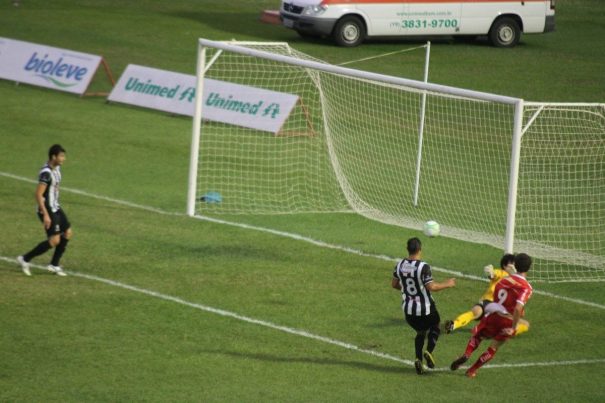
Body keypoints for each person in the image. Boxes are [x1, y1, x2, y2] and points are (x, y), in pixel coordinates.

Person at [450, 253, 533, 378]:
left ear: (515, 264)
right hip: (508, 321)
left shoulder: (503, 280)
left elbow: (496, 296)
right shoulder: (527, 287)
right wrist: (514, 327)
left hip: (494, 314)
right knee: (494, 346)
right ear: (528, 268)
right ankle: (472, 370)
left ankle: (467, 354)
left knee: (477, 337)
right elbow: (517, 308)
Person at [392, 237, 456, 375]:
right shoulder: (423, 267)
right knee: (436, 325)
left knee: (420, 332)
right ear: (420, 249)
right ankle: (429, 351)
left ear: (407, 249)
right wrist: (448, 283)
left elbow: (394, 284)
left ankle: (418, 358)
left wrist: (407, 290)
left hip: (409, 311)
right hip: (425, 308)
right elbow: (431, 286)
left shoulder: (399, 265)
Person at [17, 144, 72, 276]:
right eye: (61, 156)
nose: (64, 159)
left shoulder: (57, 169)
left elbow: (55, 187)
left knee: (68, 232)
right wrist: (46, 215)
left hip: (55, 206)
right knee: (54, 240)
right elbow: (38, 195)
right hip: (46, 209)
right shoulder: (46, 173)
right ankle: (24, 259)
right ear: (54, 157)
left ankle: (54, 265)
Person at [444, 253, 528, 336]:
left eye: (514, 264)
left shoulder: (518, 281)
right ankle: (453, 324)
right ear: (504, 266)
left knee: (524, 324)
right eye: (511, 264)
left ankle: (502, 330)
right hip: (490, 303)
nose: (513, 266)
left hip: (499, 308)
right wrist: (490, 273)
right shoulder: (502, 273)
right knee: (475, 312)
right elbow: (493, 274)